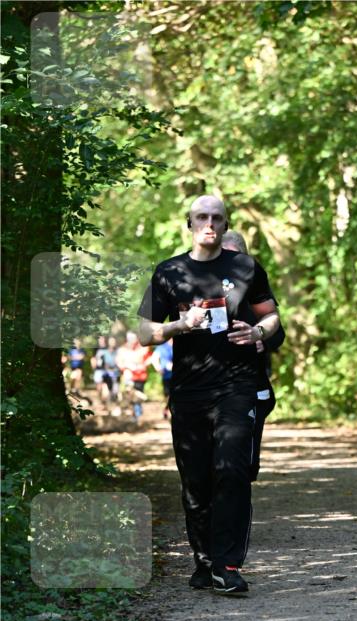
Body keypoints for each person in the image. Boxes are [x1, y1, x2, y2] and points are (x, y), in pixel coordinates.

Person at [137, 194, 281, 596]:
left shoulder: (246, 267)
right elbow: (144, 332)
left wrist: (257, 332)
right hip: (188, 391)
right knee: (195, 481)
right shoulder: (169, 272)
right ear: (189, 223)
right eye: (202, 217)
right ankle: (203, 560)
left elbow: (271, 316)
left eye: (217, 218)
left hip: (236, 387)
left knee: (232, 471)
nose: (210, 223)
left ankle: (227, 565)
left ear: (225, 223)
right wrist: (180, 326)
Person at [221, 229, 285, 482]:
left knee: (245, 464)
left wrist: (262, 340)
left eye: (235, 257)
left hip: (252, 387)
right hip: (211, 386)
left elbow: (278, 333)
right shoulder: (202, 285)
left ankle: (239, 498)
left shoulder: (254, 287)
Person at [116, 331, 152, 423]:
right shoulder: (122, 349)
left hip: (141, 377)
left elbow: (150, 359)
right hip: (128, 377)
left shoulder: (143, 348)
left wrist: (143, 365)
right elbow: (118, 362)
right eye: (130, 338)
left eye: (134, 338)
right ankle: (131, 417)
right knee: (128, 396)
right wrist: (126, 367)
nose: (132, 340)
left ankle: (138, 417)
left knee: (138, 397)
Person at [151, 339, 173, 419]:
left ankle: (170, 410)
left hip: (178, 376)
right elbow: (154, 359)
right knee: (168, 395)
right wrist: (158, 368)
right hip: (167, 376)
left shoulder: (178, 344)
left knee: (175, 395)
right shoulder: (162, 347)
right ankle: (166, 409)